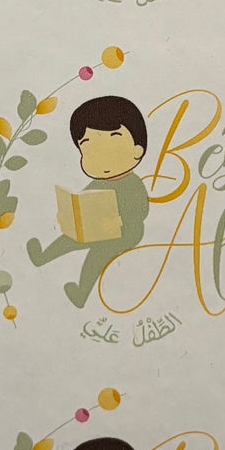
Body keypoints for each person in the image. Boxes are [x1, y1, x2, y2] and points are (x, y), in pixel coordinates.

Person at [27, 96, 150, 307]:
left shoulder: (132, 184)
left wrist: (117, 222)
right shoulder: (98, 183)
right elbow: (85, 200)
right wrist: (69, 214)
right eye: (89, 150)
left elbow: (141, 211)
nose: (101, 158)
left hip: (126, 233)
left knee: (97, 254)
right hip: (96, 226)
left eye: (112, 149)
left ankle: (81, 293)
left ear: (137, 150)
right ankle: (43, 257)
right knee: (71, 237)